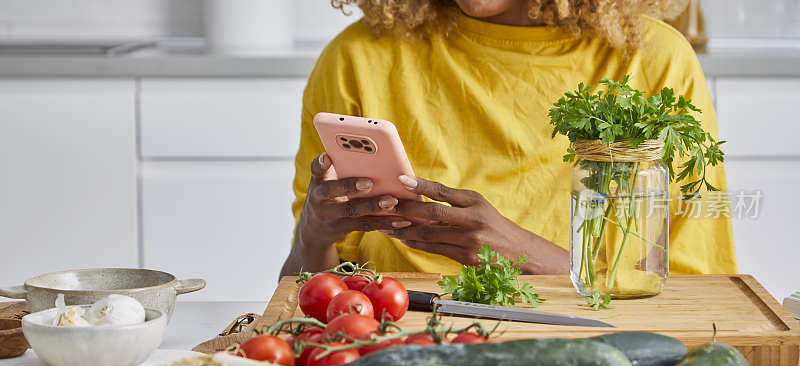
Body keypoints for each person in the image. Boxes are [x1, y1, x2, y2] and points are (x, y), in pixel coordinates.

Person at [280, 0, 737, 279]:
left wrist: (527, 257)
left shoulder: (654, 60)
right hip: (401, 353)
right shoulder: (358, 57)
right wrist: (315, 236)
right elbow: (307, 298)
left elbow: (704, 295)